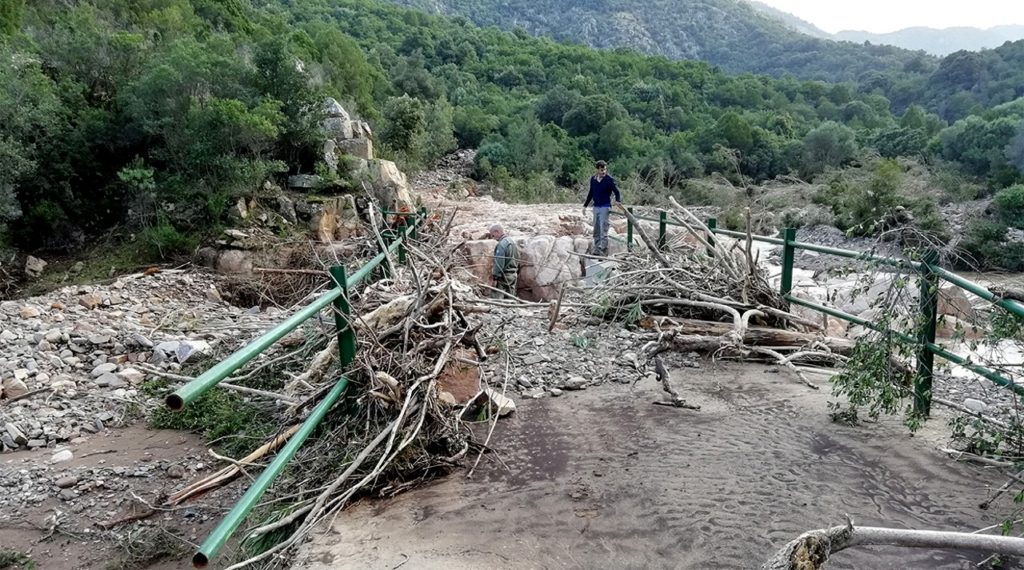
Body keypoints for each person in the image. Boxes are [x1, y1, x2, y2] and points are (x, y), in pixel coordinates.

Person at [582, 160, 621, 257]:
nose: (603, 172)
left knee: (603, 229)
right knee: (596, 228)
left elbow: (617, 192)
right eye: (601, 170)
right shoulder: (593, 179)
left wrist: (618, 201)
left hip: (605, 206)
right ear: (597, 169)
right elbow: (591, 193)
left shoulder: (609, 179)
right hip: (596, 207)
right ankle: (596, 248)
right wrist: (585, 206)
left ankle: (603, 250)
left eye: (605, 170)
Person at [489, 223, 519, 298]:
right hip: (513, 274)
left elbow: (499, 263)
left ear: (497, 232)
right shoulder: (512, 242)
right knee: (510, 297)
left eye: (493, 235)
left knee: (496, 298)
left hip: (504, 276)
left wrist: (495, 277)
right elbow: (517, 257)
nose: (493, 238)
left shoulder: (501, 245)